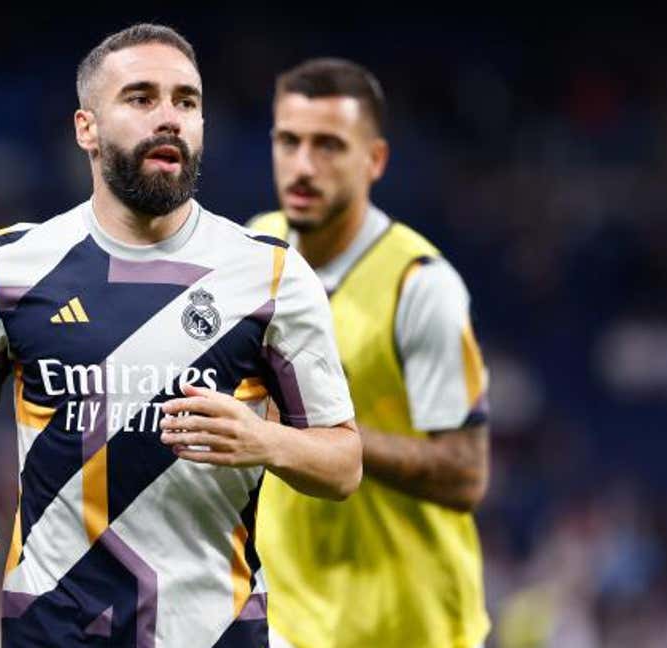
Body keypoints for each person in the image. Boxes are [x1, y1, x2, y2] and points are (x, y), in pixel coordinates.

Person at [0, 25, 362, 647]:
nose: (170, 118)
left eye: (187, 101)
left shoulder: (271, 274)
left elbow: (342, 463)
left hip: (215, 633)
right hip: (54, 632)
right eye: (142, 98)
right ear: (86, 128)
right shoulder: (9, 267)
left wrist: (266, 441)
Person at [251, 58, 492, 648]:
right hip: (290, 617)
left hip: (408, 624)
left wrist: (325, 439)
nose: (303, 166)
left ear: (374, 160)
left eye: (329, 146)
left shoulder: (419, 285)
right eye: (289, 141)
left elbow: (466, 474)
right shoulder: (255, 251)